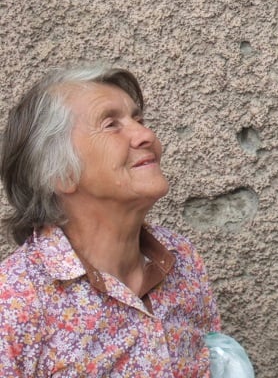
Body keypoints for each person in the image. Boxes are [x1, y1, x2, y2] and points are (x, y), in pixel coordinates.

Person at [0, 65, 221, 376]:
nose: (146, 135)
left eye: (139, 120)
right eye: (110, 124)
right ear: (61, 173)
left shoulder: (182, 258)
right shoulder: (15, 301)